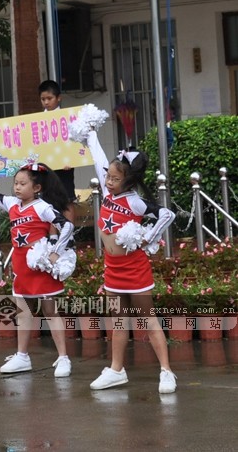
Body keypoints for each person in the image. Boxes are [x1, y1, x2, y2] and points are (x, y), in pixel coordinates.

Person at [84, 128, 177, 393]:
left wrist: (148, 239)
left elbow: (167, 215)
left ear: (128, 181)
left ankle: (166, 371)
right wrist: (91, 134)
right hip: (112, 270)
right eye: (108, 177)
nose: (109, 181)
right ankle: (116, 370)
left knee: (148, 319)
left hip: (135, 271)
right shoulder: (107, 191)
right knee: (118, 320)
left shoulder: (135, 202)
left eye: (114, 178)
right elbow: (98, 156)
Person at [0, 162, 75, 378]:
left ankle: (63, 357)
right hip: (21, 264)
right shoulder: (11, 204)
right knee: (23, 310)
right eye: (15, 183)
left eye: (22, 184)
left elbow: (67, 226)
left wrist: (55, 252)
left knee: (50, 310)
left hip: (40, 265)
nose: (17, 187)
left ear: (36, 188)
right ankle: (22, 356)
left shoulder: (42, 207)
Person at [38, 80, 76, 222]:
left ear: (58, 98)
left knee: (67, 199)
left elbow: (75, 142)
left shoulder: (69, 118)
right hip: (46, 168)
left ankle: (69, 235)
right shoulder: (37, 121)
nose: (46, 102)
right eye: (43, 99)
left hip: (65, 166)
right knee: (48, 202)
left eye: (49, 98)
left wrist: (70, 160)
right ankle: (53, 236)